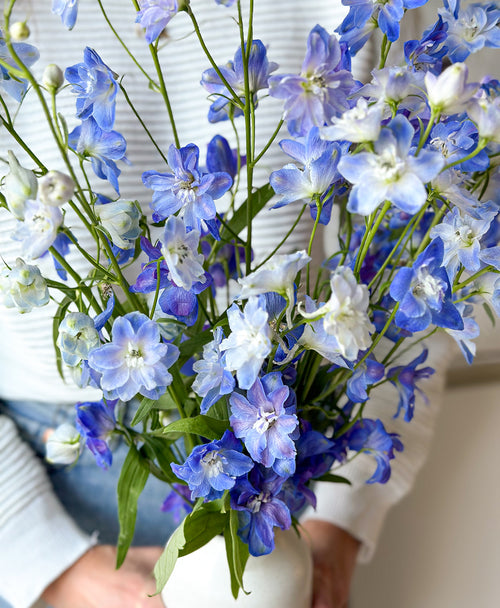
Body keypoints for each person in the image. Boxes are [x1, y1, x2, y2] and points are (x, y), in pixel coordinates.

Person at [0, 1, 462, 607]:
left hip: (295, 460)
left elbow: (442, 240)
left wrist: (343, 515)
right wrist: (35, 555)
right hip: (48, 480)